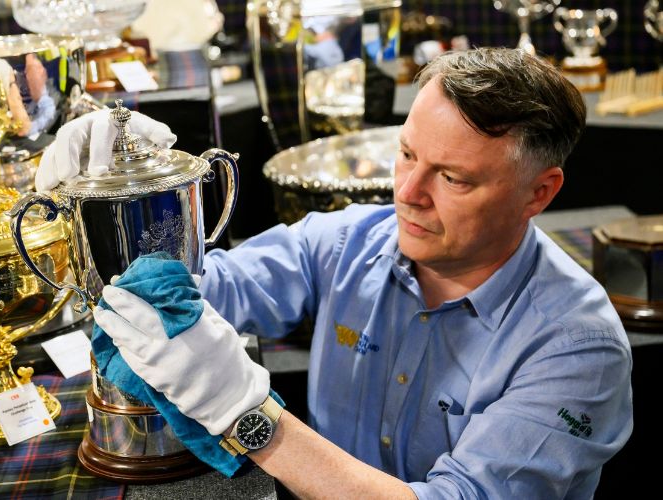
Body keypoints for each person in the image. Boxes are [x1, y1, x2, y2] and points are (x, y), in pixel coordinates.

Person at [35, 47, 633, 499]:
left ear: (539, 192)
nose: (408, 194)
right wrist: (126, 195)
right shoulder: (347, 239)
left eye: (453, 178)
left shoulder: (578, 347)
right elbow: (187, 295)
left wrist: (249, 417)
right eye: (406, 155)